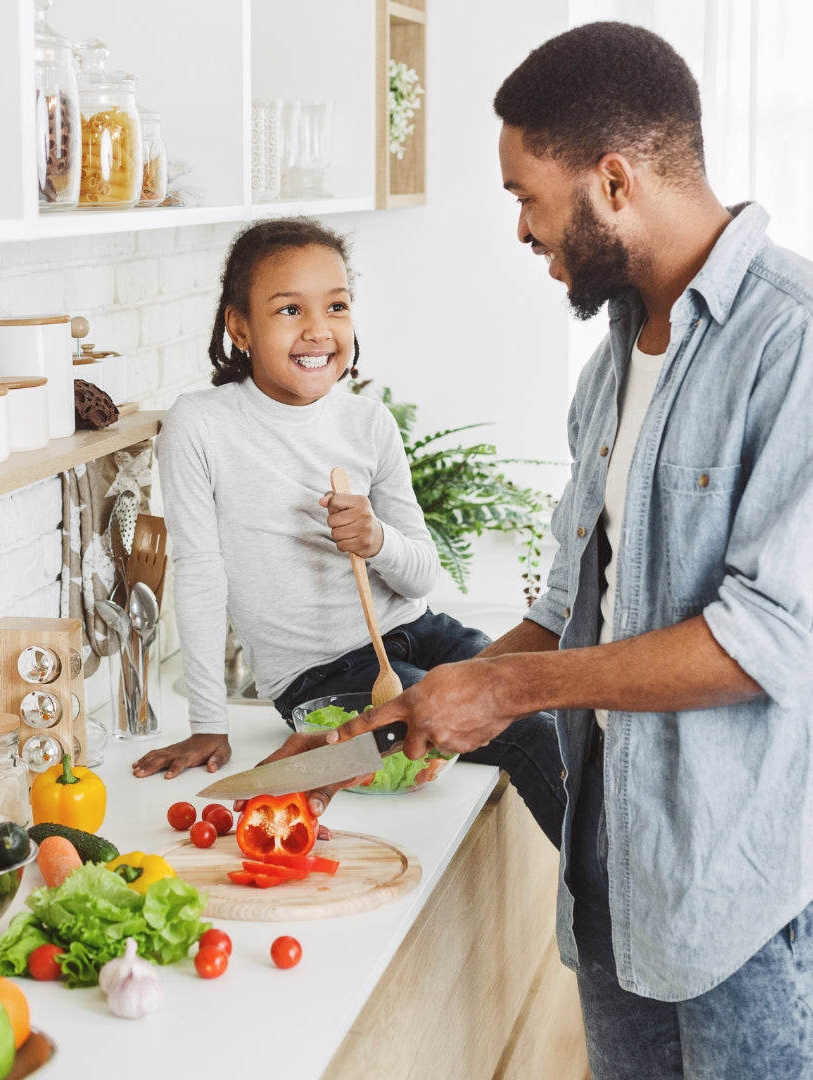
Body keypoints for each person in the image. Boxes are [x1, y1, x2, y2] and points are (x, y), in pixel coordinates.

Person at [328, 20, 813, 1079]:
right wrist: (443, 695)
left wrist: (505, 690)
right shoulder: (609, 362)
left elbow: (763, 645)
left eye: (524, 196)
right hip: (612, 875)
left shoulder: (796, 344)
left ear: (612, 179)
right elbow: (572, 601)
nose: (520, 229)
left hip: (739, 890)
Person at [131, 217, 563, 843]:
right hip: (321, 676)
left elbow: (422, 572)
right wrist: (208, 721)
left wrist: (376, 539)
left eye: (336, 306)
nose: (318, 330)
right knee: (527, 732)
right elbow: (198, 575)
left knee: (544, 702)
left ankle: (620, 896)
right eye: (288, 309)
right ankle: (614, 913)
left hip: (419, 633)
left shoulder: (368, 423)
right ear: (240, 326)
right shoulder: (202, 425)